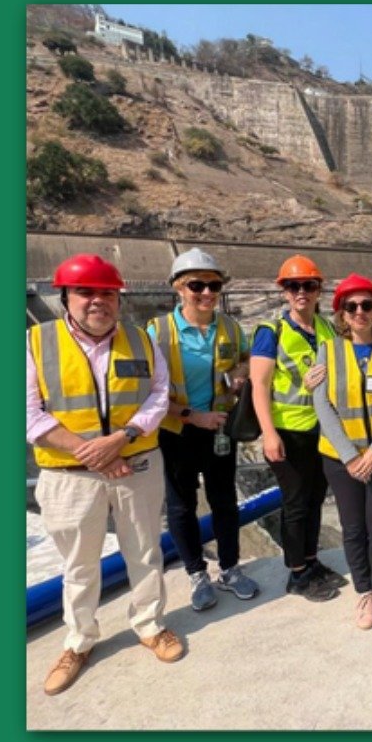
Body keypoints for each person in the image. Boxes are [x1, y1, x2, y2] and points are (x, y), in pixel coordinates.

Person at [28, 255, 184, 696]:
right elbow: (27, 414)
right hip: (70, 476)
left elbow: (157, 395)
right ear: (65, 298)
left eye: (107, 293)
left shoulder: (140, 340)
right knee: (79, 565)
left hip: (136, 464)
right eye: (86, 292)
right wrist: (92, 453)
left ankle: (151, 625)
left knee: (146, 552)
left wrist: (124, 436)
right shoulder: (36, 342)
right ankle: (78, 642)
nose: (98, 301)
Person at [148, 248, 257, 612]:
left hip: (219, 430)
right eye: (197, 285)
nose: (208, 293)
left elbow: (245, 359)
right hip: (177, 432)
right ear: (179, 288)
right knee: (181, 507)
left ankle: (229, 568)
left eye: (214, 285)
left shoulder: (229, 327)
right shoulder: (158, 332)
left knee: (225, 501)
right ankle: (197, 573)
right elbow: (146, 392)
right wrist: (192, 416)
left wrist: (239, 377)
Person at [313, 275, 372, 629]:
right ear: (341, 313)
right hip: (342, 460)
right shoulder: (328, 350)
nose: (359, 312)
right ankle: (364, 592)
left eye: (366, 305)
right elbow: (321, 404)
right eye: (350, 306)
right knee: (353, 527)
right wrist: (351, 455)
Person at [251, 255, 346, 602]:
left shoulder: (325, 328)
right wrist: (269, 434)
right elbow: (259, 385)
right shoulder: (271, 332)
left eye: (308, 285)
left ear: (319, 290)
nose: (301, 292)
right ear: (284, 292)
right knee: (295, 502)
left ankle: (310, 561)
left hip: (320, 431)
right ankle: (296, 574)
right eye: (294, 286)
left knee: (315, 498)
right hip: (287, 432)